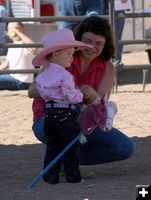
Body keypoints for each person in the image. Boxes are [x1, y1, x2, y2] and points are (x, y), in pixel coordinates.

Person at [28, 16, 135, 182]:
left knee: (124, 148)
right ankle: (64, 160)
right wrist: (63, 91)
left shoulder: (108, 68)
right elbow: (32, 91)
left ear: (106, 44)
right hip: (47, 119)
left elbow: (101, 108)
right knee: (71, 120)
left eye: (98, 43)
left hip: (80, 121)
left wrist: (93, 95)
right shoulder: (60, 56)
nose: (92, 47)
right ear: (79, 39)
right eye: (88, 41)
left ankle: (64, 160)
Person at [32, 28, 92, 184]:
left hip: (49, 114)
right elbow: (70, 96)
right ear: (56, 54)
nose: (72, 59)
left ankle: (50, 177)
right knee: (71, 147)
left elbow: (42, 93)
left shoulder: (43, 74)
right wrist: (80, 95)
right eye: (69, 54)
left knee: (53, 146)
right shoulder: (65, 75)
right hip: (65, 114)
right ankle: (73, 177)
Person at [0, 22, 37, 90]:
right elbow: (6, 64)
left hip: (22, 80)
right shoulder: (11, 46)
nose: (13, 30)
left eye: (16, 28)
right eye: (10, 29)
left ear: (22, 30)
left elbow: (34, 47)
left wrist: (19, 33)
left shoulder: (25, 43)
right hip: (13, 77)